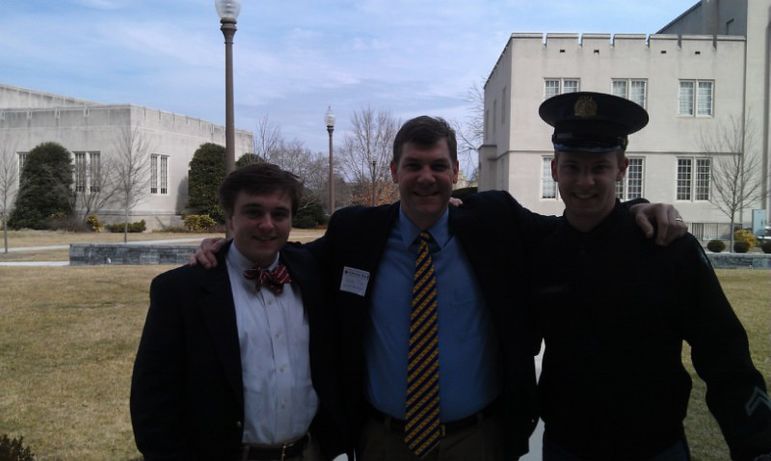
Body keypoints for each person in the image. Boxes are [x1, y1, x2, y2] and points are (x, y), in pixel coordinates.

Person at [194, 116, 686, 460]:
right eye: (413, 165)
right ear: (394, 173)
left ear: (455, 173)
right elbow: (292, 258)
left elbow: (574, 225)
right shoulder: (357, 233)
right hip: (383, 440)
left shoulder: (495, 222)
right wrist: (229, 249)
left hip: (478, 439)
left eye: (437, 165)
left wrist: (633, 209)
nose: (426, 177)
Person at [531, 91, 771, 461]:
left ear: (622, 168)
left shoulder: (668, 247)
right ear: (554, 169)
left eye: (599, 167)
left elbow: (723, 352)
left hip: (656, 448)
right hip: (566, 447)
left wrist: (757, 443)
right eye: (572, 166)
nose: (584, 182)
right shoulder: (541, 248)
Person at [130, 163, 347, 461]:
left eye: (279, 214)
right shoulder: (181, 292)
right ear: (231, 218)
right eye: (253, 212)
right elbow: (152, 404)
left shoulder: (310, 271)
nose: (267, 225)